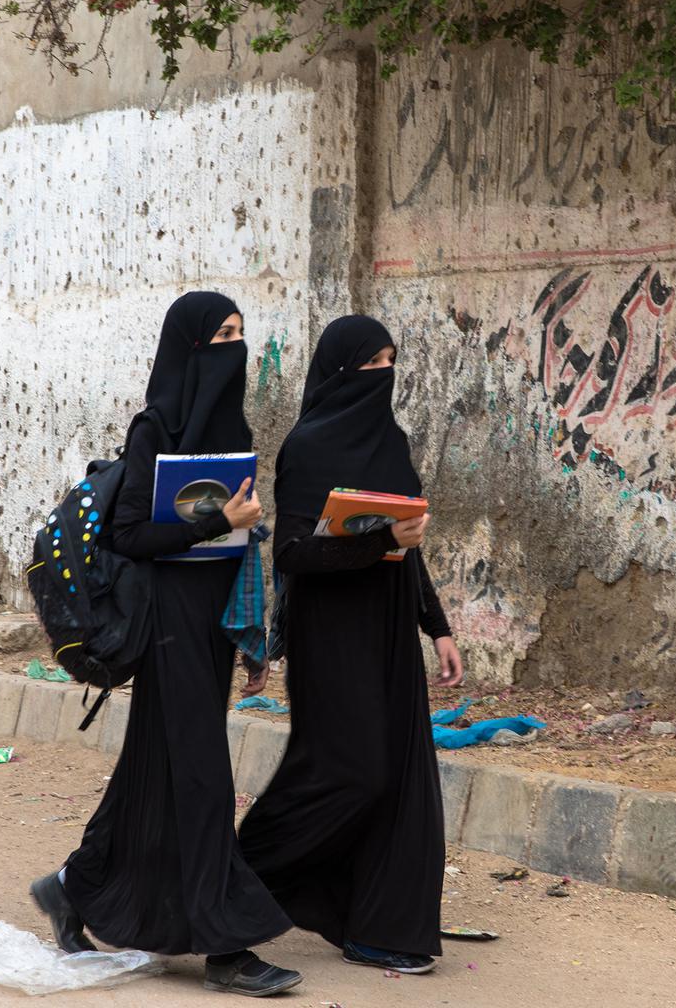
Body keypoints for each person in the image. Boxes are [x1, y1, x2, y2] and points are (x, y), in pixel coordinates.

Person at [29, 291, 301, 998]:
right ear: (187, 348)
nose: (233, 349)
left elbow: (240, 545)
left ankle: (73, 887)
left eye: (240, 335)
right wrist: (213, 524)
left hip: (211, 622)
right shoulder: (155, 428)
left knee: (153, 771)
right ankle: (229, 951)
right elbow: (126, 536)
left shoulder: (232, 426)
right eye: (220, 337)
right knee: (205, 779)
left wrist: (249, 637)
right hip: (167, 622)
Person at [238, 314, 464, 976]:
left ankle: (382, 928)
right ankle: (229, 878)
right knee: (348, 772)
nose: (383, 375)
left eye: (391, 361)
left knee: (398, 779)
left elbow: (409, 543)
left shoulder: (391, 443)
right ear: (341, 371)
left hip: (390, 630)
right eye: (372, 363)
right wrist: (377, 543)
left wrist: (438, 626)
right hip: (330, 636)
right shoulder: (305, 447)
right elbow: (295, 553)